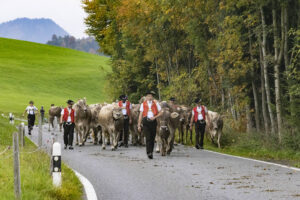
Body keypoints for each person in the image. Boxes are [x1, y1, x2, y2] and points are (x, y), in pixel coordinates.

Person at [138, 91, 162, 159]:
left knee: (152, 137)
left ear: (152, 97)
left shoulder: (156, 104)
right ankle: (149, 152)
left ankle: (151, 151)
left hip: (153, 121)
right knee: (148, 137)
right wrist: (139, 125)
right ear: (146, 97)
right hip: (146, 121)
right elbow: (140, 114)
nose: (149, 97)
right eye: (148, 96)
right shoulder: (143, 104)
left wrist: (155, 117)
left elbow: (161, 112)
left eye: (150, 96)